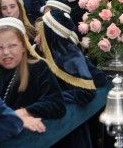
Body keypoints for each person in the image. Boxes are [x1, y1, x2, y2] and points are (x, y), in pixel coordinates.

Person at [0, 17, 66, 133]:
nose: (6, 52)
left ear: (24, 46)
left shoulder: (38, 68)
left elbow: (56, 104)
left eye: (12, 46)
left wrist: (24, 112)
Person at [34, 9, 106, 147]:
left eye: (39, 34)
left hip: (71, 130)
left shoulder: (69, 57)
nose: (36, 39)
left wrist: (53, 97)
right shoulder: (52, 55)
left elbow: (87, 93)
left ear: (50, 35)